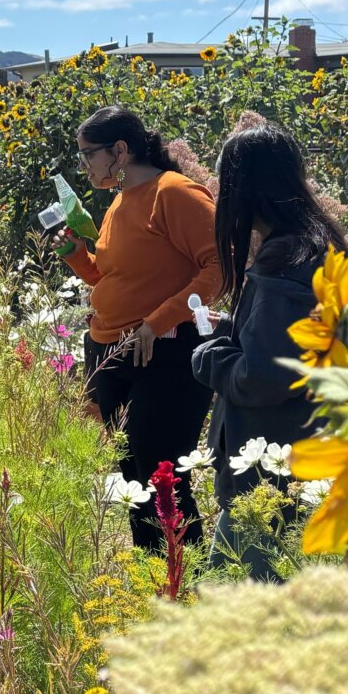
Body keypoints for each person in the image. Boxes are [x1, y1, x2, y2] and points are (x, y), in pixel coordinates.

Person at [191, 120, 348, 576]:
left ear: (242, 187)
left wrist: (209, 357)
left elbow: (263, 376)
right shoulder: (317, 244)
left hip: (269, 476)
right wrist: (236, 327)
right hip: (306, 459)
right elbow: (296, 345)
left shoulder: (285, 258)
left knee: (237, 603)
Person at [60, 105, 222, 547]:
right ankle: (152, 573)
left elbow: (218, 268)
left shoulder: (174, 192)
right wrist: (76, 256)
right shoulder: (119, 201)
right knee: (132, 473)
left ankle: (182, 575)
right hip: (112, 349)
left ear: (120, 150)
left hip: (165, 349)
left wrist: (156, 322)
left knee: (161, 474)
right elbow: (113, 278)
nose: (84, 166)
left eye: (88, 155)